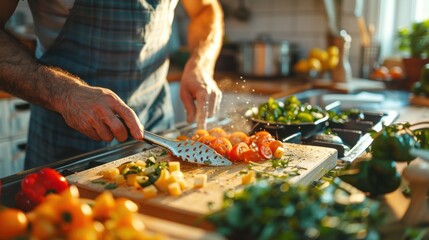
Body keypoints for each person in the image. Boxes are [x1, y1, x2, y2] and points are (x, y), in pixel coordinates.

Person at [0, 0, 224, 169]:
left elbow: (206, 9)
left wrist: (201, 63)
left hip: (157, 136)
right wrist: (64, 93)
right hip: (64, 149)